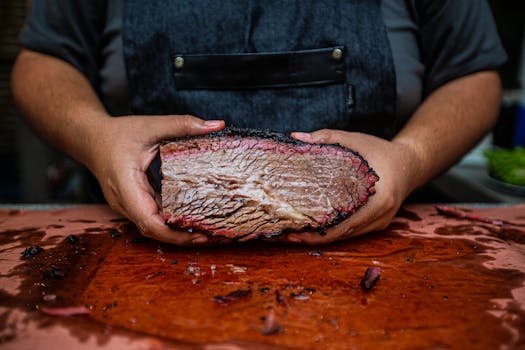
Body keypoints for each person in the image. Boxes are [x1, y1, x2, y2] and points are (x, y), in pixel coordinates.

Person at [11, 1, 506, 245]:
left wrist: (412, 157)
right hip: (139, 244)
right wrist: (96, 137)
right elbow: (43, 62)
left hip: (382, 241)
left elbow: (472, 75)